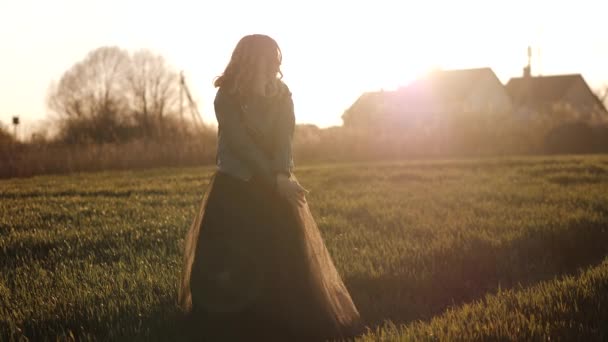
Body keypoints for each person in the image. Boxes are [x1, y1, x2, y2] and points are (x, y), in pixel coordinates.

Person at [178, 34, 363, 341]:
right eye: (268, 58)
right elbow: (240, 146)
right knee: (231, 259)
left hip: (276, 184)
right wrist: (275, 180)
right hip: (235, 187)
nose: (274, 65)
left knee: (283, 257)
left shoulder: (282, 94)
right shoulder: (226, 96)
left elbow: (284, 140)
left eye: (275, 60)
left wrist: (283, 173)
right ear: (249, 60)